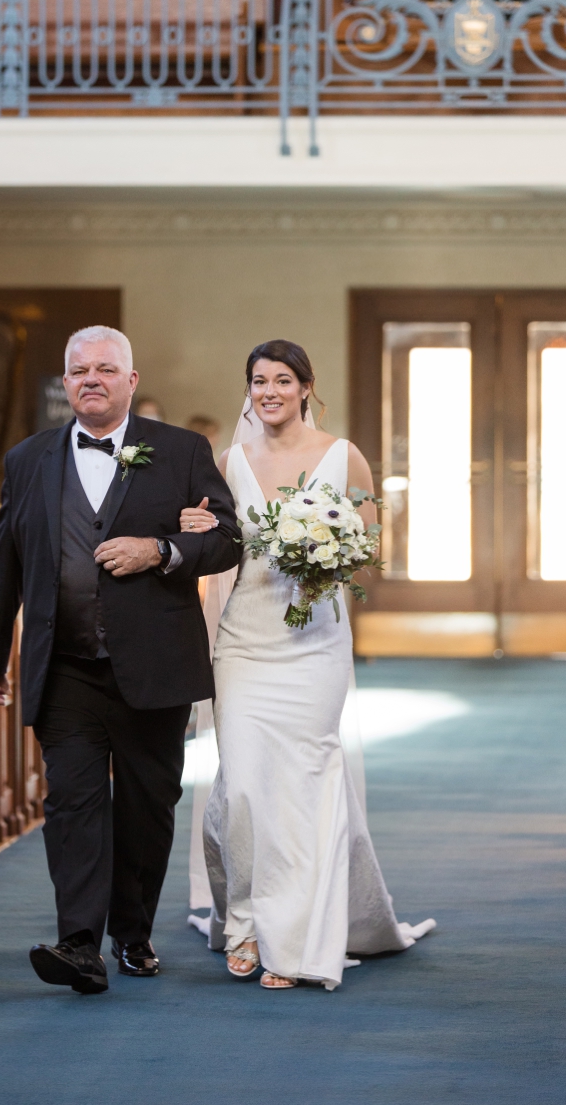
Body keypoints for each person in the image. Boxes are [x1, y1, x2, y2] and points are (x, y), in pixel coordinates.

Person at [0, 325, 242, 995]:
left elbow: (229, 538)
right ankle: (80, 942)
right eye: (78, 370)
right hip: (64, 665)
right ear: (65, 383)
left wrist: (163, 550)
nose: (90, 378)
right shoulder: (27, 459)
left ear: (131, 380)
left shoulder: (181, 451)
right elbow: (5, 558)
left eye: (104, 368)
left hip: (153, 664)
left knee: (148, 807)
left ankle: (135, 930)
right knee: (73, 802)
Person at [177, 339, 435, 990]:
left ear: (305, 388)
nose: (269, 390)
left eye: (282, 380)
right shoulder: (228, 461)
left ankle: (292, 938)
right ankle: (243, 924)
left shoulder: (343, 457)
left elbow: (370, 544)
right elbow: (208, 544)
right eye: (258, 379)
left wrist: (329, 560)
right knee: (239, 787)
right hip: (243, 640)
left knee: (304, 784)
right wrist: (192, 529)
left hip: (315, 643)